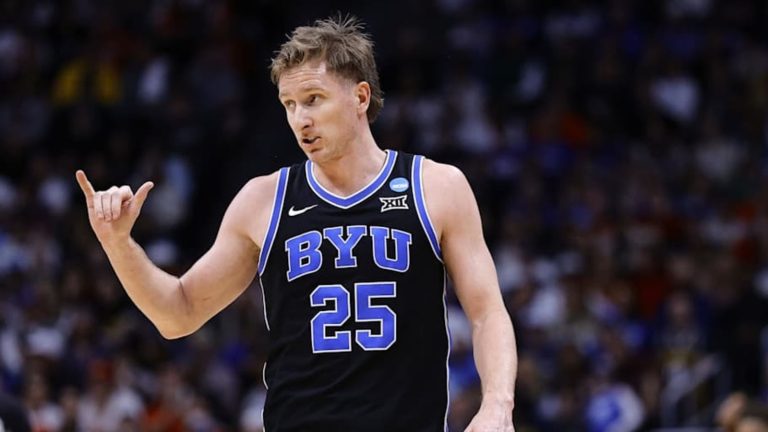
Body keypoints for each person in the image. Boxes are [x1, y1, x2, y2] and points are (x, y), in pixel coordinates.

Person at [76, 15, 517, 431]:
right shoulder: (263, 200)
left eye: (313, 100)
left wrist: (497, 403)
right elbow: (178, 314)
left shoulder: (436, 187)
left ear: (360, 97)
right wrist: (118, 243)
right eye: (289, 105)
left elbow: (486, 313)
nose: (299, 120)